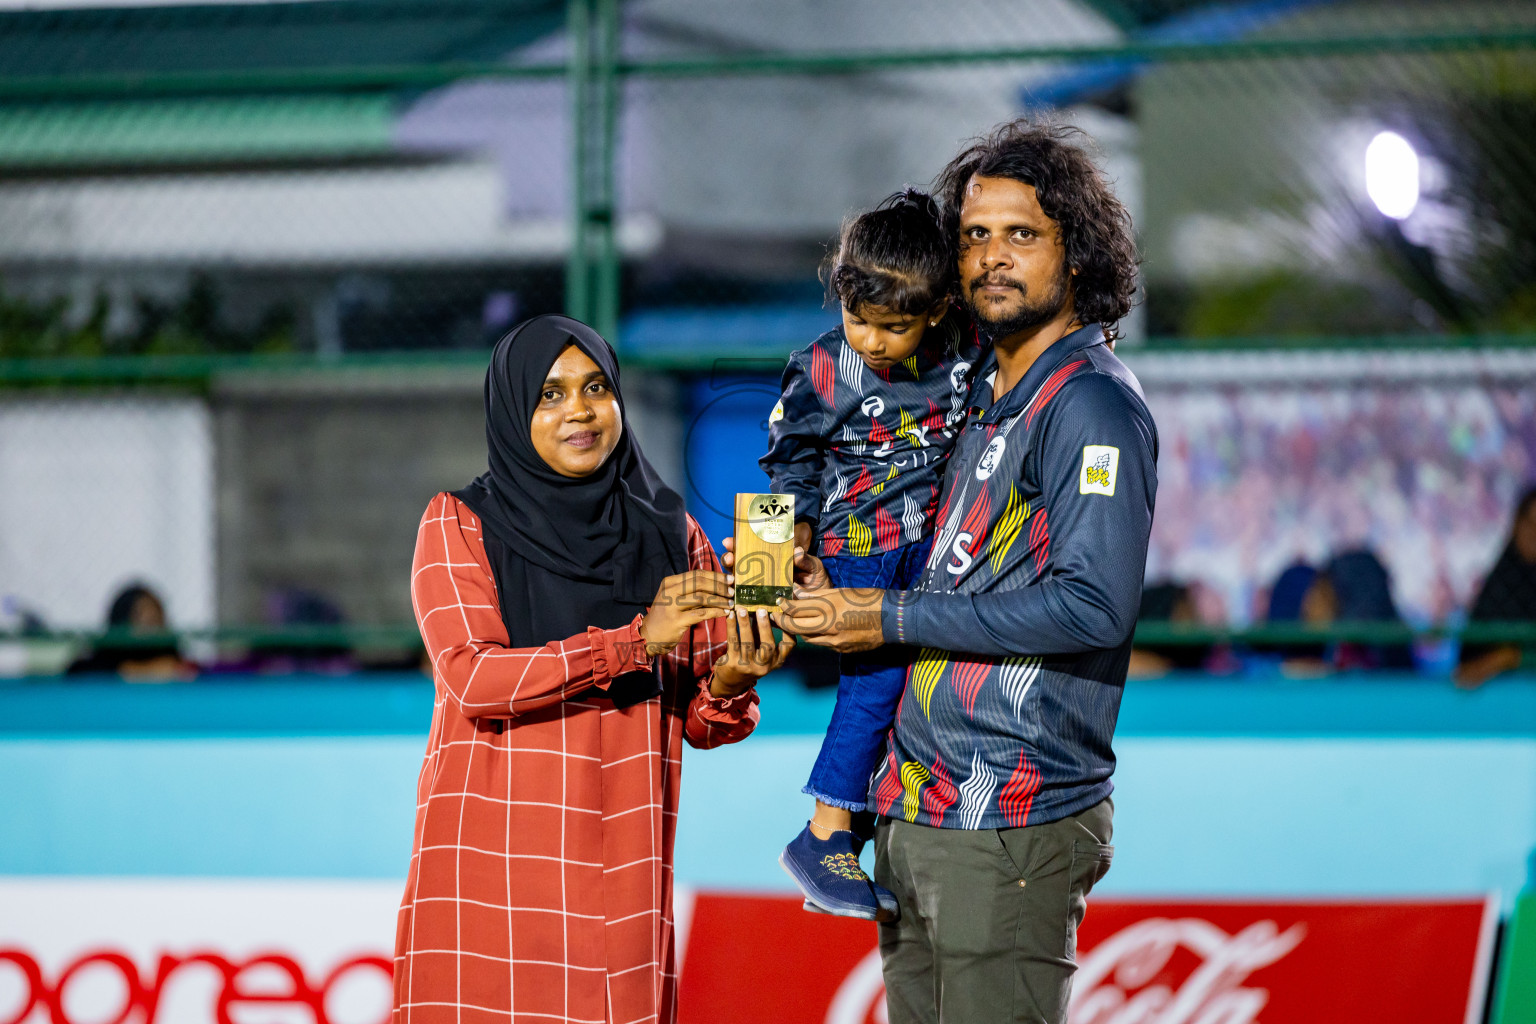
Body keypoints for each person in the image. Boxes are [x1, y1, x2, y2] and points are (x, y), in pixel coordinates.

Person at [765, 117, 1154, 1024]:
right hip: (914, 807)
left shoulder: (1089, 405)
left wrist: (887, 618)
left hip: (1008, 814)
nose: (991, 257)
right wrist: (795, 561)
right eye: (975, 235)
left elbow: (1094, 605)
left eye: (1023, 234)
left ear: (1079, 251)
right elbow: (841, 472)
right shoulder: (969, 387)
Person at [395, 316, 792, 1024]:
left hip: (621, 883)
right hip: (491, 881)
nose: (578, 409)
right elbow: (474, 680)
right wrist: (634, 640)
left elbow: (701, 717)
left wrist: (736, 673)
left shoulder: (673, 534)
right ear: (514, 411)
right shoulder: (458, 523)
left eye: (595, 387)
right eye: (549, 394)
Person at [761, 188, 979, 921]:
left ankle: (864, 824)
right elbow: (783, 461)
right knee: (874, 686)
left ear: (940, 311)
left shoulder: (961, 356)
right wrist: (761, 587)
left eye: (895, 327)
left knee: (921, 691)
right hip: (855, 554)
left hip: (931, 552)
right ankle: (823, 835)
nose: (874, 341)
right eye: (859, 320)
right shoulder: (819, 370)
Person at [1456, 485, 1536, 687]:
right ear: (1517, 525)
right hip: (1495, 707)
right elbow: (1468, 665)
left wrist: (1509, 658)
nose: (1534, 535)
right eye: (1530, 524)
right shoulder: (1499, 585)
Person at [67, 582, 194, 681]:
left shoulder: (169, 654)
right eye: (141, 617)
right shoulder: (107, 656)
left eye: (156, 618)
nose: (150, 626)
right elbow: (76, 671)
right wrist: (140, 671)